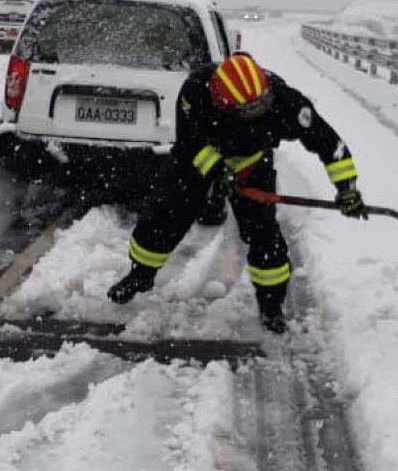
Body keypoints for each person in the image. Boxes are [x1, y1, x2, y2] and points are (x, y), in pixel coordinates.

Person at [107, 53, 366, 333]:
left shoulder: (284, 101)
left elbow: (330, 143)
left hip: (252, 163)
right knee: (167, 216)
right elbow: (190, 142)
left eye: (264, 101)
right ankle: (139, 276)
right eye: (251, 108)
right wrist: (217, 171)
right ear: (223, 104)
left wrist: (347, 188)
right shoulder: (195, 92)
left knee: (264, 234)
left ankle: (271, 307)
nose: (263, 109)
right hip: (199, 159)